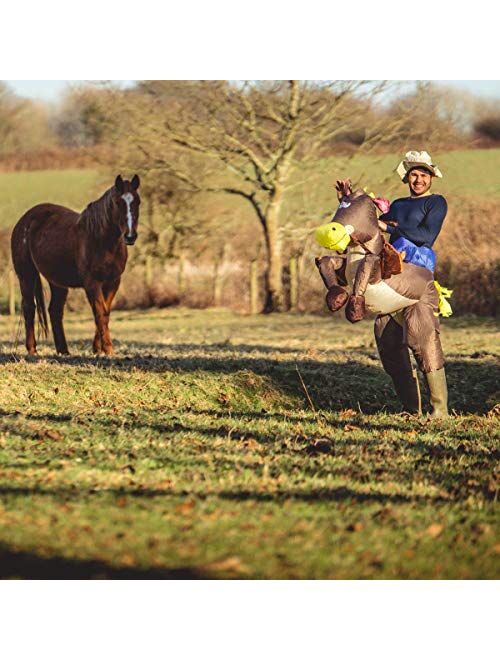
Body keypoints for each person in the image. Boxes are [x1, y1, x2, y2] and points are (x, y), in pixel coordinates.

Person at [376, 150, 449, 417]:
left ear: (431, 177)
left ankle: (439, 411)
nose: (418, 180)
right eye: (414, 175)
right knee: (388, 341)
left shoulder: (436, 202)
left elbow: (426, 236)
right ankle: (411, 409)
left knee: (424, 339)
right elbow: (376, 233)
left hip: (418, 279)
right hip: (392, 281)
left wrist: (390, 227)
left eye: (423, 175)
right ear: (406, 177)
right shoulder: (397, 204)